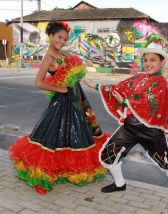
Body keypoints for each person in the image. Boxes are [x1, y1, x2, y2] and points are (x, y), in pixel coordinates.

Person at [83, 42, 168, 213]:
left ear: (162, 62)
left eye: (153, 60)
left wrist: (125, 102)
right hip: (130, 128)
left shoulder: (162, 84)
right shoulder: (138, 79)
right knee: (108, 155)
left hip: (151, 131)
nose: (148, 63)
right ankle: (120, 184)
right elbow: (119, 88)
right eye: (145, 60)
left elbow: (147, 103)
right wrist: (97, 86)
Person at [8, 21, 110, 195]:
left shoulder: (62, 53)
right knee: (52, 138)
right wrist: (60, 88)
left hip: (76, 99)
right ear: (51, 36)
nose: (62, 41)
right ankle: (42, 178)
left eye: (64, 38)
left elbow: (74, 66)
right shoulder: (49, 57)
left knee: (76, 134)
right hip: (61, 102)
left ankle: (66, 170)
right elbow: (38, 82)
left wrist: (74, 77)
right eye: (59, 37)